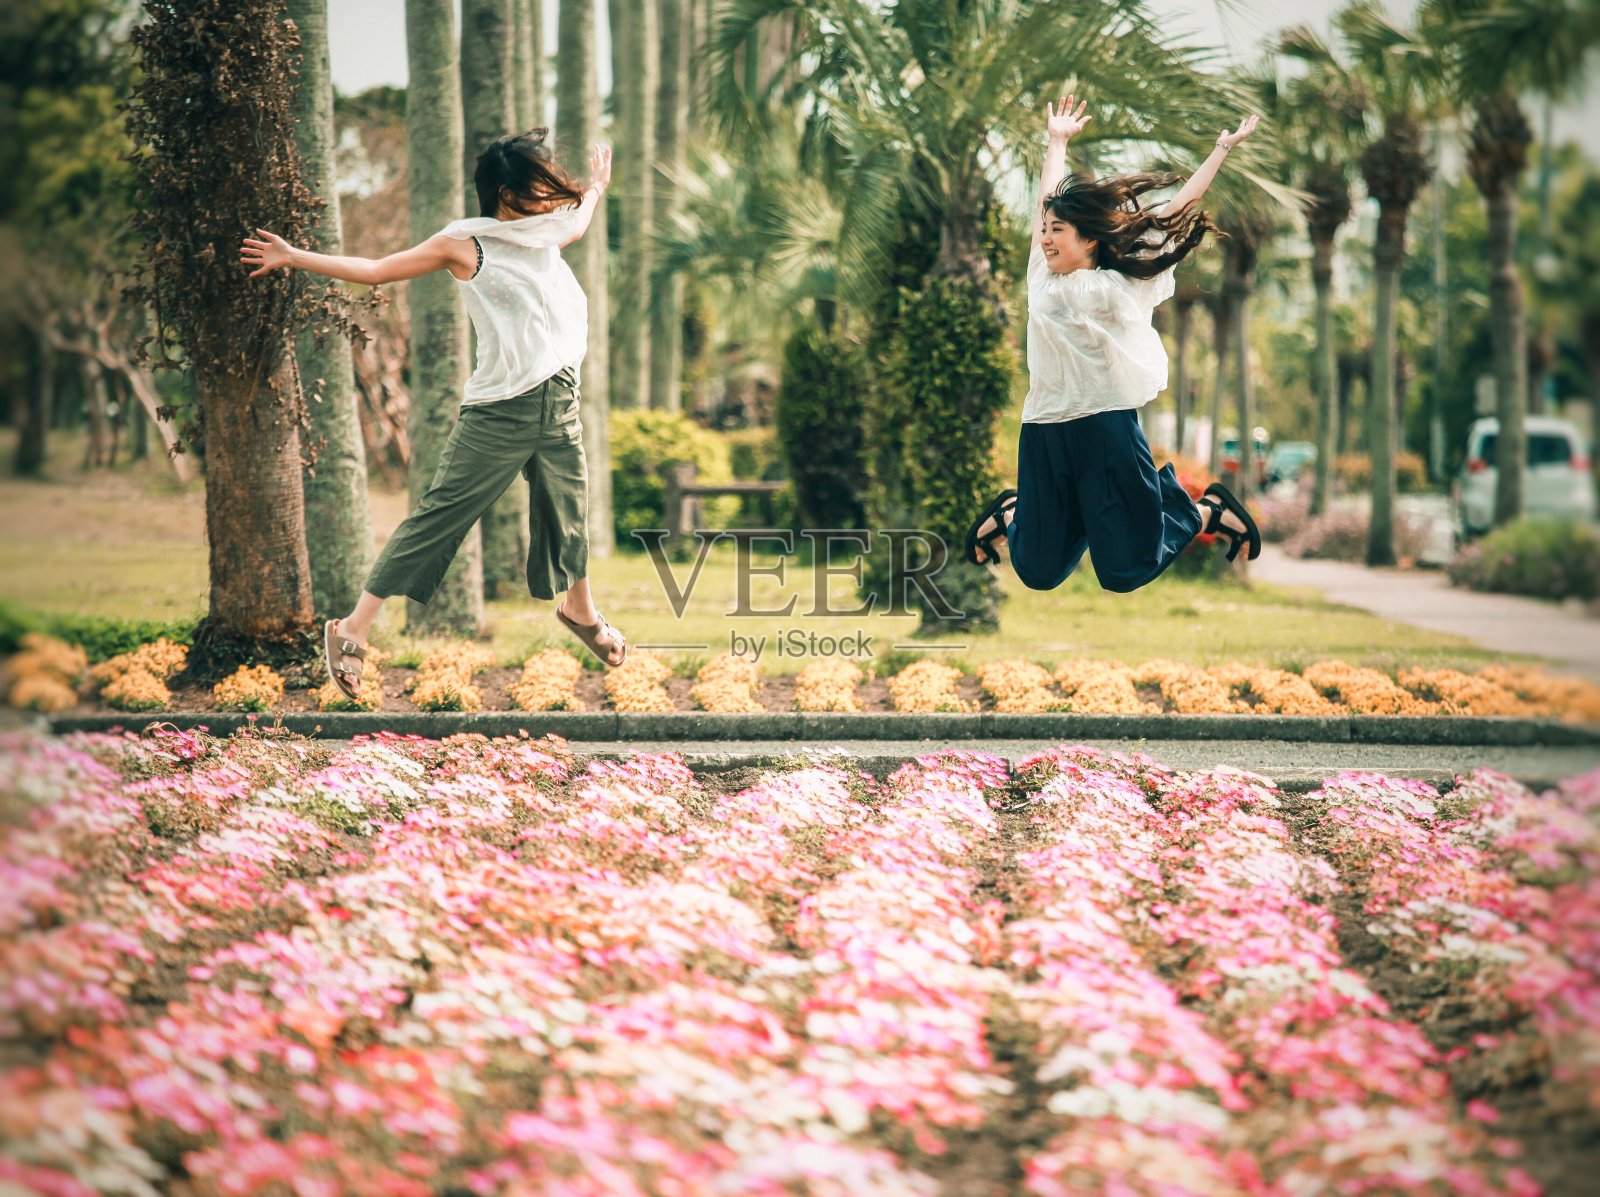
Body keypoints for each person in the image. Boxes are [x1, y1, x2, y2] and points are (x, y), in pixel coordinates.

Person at [241, 130, 624, 701]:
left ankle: (580, 611)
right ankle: (352, 627)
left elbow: (577, 221)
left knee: (568, 510)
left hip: (560, 398)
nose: (549, 201)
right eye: (537, 191)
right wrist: (294, 256)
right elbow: (376, 269)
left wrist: (595, 189)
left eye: (551, 191)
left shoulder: (547, 231)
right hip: (500, 410)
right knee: (439, 517)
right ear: (505, 193)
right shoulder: (464, 244)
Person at [965, 97, 1262, 588]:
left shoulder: (1123, 285)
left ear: (1089, 239)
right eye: (1044, 230)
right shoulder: (1042, 278)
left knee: (1126, 569)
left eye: (1058, 231)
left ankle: (1208, 510)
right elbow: (1046, 198)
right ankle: (1013, 510)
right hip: (1044, 427)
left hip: (1106, 429)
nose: (1045, 238)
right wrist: (1056, 142)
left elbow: (1171, 216)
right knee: (1038, 571)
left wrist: (1220, 152)